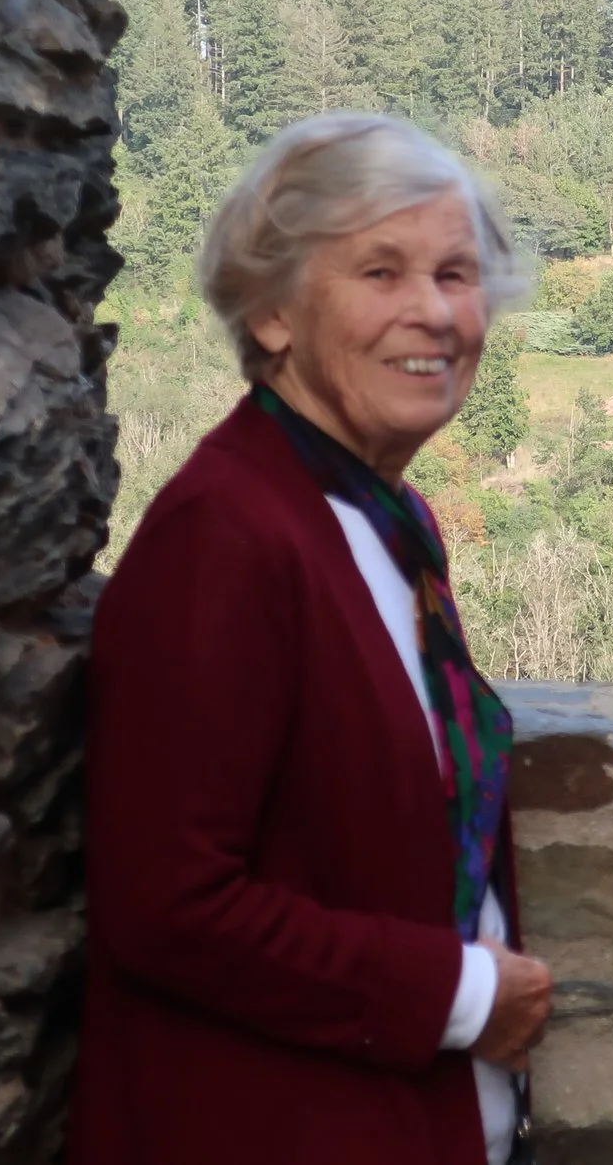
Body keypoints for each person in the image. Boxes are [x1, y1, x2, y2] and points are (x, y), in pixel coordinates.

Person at [71, 113, 553, 1165]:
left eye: (456, 272)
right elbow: (165, 901)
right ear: (271, 309)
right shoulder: (226, 534)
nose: (432, 312)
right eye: (379, 271)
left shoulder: (382, 517)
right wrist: (462, 991)